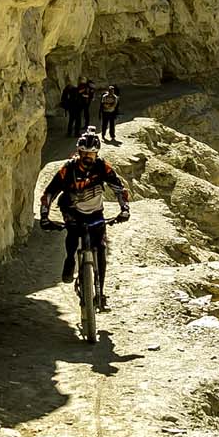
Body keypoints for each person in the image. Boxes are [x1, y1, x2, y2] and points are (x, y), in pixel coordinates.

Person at [39, 129, 131, 311]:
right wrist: (44, 216)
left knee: (102, 249)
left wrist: (124, 209)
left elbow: (119, 188)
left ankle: (100, 293)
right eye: (85, 153)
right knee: (73, 233)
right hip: (72, 210)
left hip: (95, 211)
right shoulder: (68, 169)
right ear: (79, 152)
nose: (88, 157)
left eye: (92, 153)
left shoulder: (102, 166)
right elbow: (50, 192)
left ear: (96, 153)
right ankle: (69, 260)